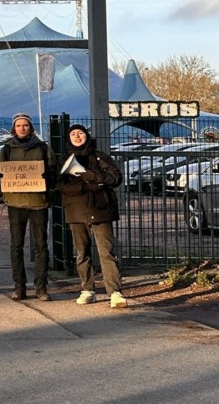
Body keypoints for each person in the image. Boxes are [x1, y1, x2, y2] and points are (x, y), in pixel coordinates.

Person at [56, 124, 127, 308]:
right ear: (68, 138)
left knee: (107, 252)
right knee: (82, 252)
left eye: (80, 133)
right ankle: (87, 289)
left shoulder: (100, 157)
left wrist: (92, 176)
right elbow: (60, 185)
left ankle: (115, 292)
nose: (77, 136)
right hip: (76, 212)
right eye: (73, 134)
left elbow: (115, 178)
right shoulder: (64, 160)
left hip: (101, 210)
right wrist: (88, 186)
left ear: (86, 135)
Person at [0, 113, 55, 301]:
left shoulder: (42, 148)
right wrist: (1, 181)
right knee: (16, 246)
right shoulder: (7, 149)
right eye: (19, 125)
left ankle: (41, 287)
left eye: (26, 125)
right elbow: (1, 172)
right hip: (15, 203)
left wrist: (48, 179)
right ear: (14, 128)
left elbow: (53, 170)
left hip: (38, 202)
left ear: (30, 127)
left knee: (41, 246)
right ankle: (19, 286)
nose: (22, 128)